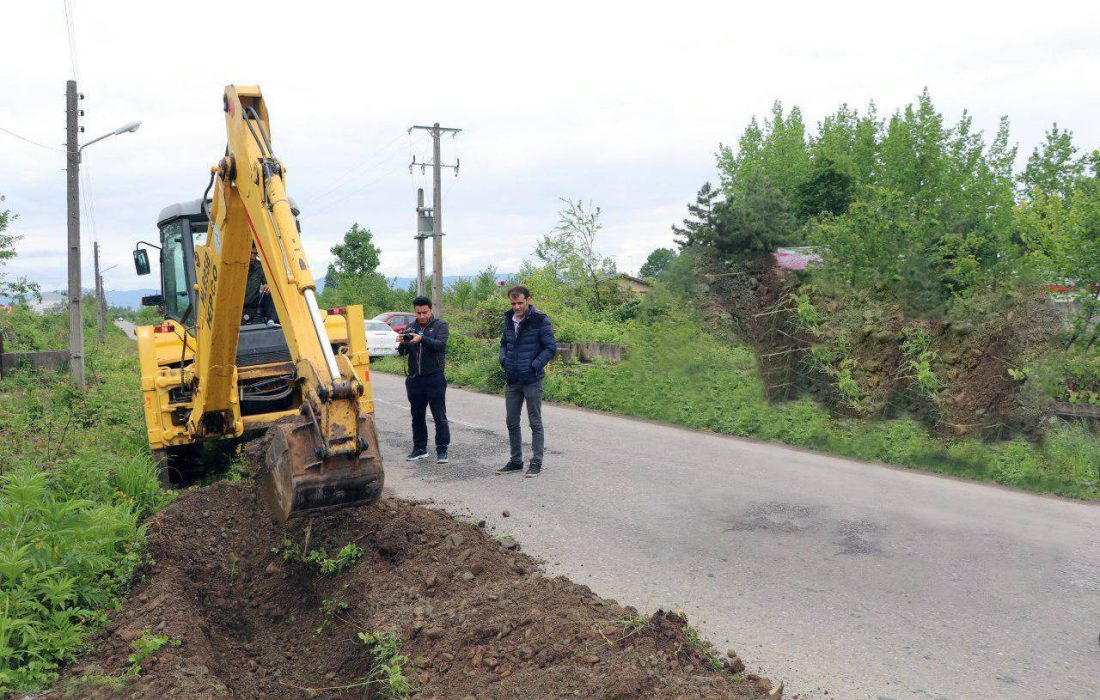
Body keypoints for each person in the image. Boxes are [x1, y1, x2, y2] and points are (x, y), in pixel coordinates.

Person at [497, 285, 556, 477]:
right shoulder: (508, 319)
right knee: (511, 421)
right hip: (513, 379)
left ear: (528, 300)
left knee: (535, 422)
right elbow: (504, 344)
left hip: (532, 379)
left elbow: (550, 348)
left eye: (520, 302)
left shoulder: (540, 319)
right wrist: (503, 359)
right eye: (513, 303)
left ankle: (536, 461)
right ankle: (516, 461)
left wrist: (534, 365)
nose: (516, 307)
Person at [397, 296, 450, 464]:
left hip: (434, 377)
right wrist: (402, 342)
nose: (421, 316)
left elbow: (439, 345)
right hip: (414, 379)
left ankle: (442, 450)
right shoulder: (410, 327)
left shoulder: (440, 325)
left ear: (430, 310)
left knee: (439, 415)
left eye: (424, 312)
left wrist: (421, 338)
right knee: (417, 415)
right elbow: (402, 353)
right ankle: (420, 448)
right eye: (418, 312)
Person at [242, 249, 278, 324]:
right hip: (239, 302)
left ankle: (271, 320)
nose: (252, 257)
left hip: (253, 300)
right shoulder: (237, 265)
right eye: (250, 253)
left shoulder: (260, 266)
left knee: (271, 292)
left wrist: (267, 285)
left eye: (255, 254)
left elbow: (267, 282)